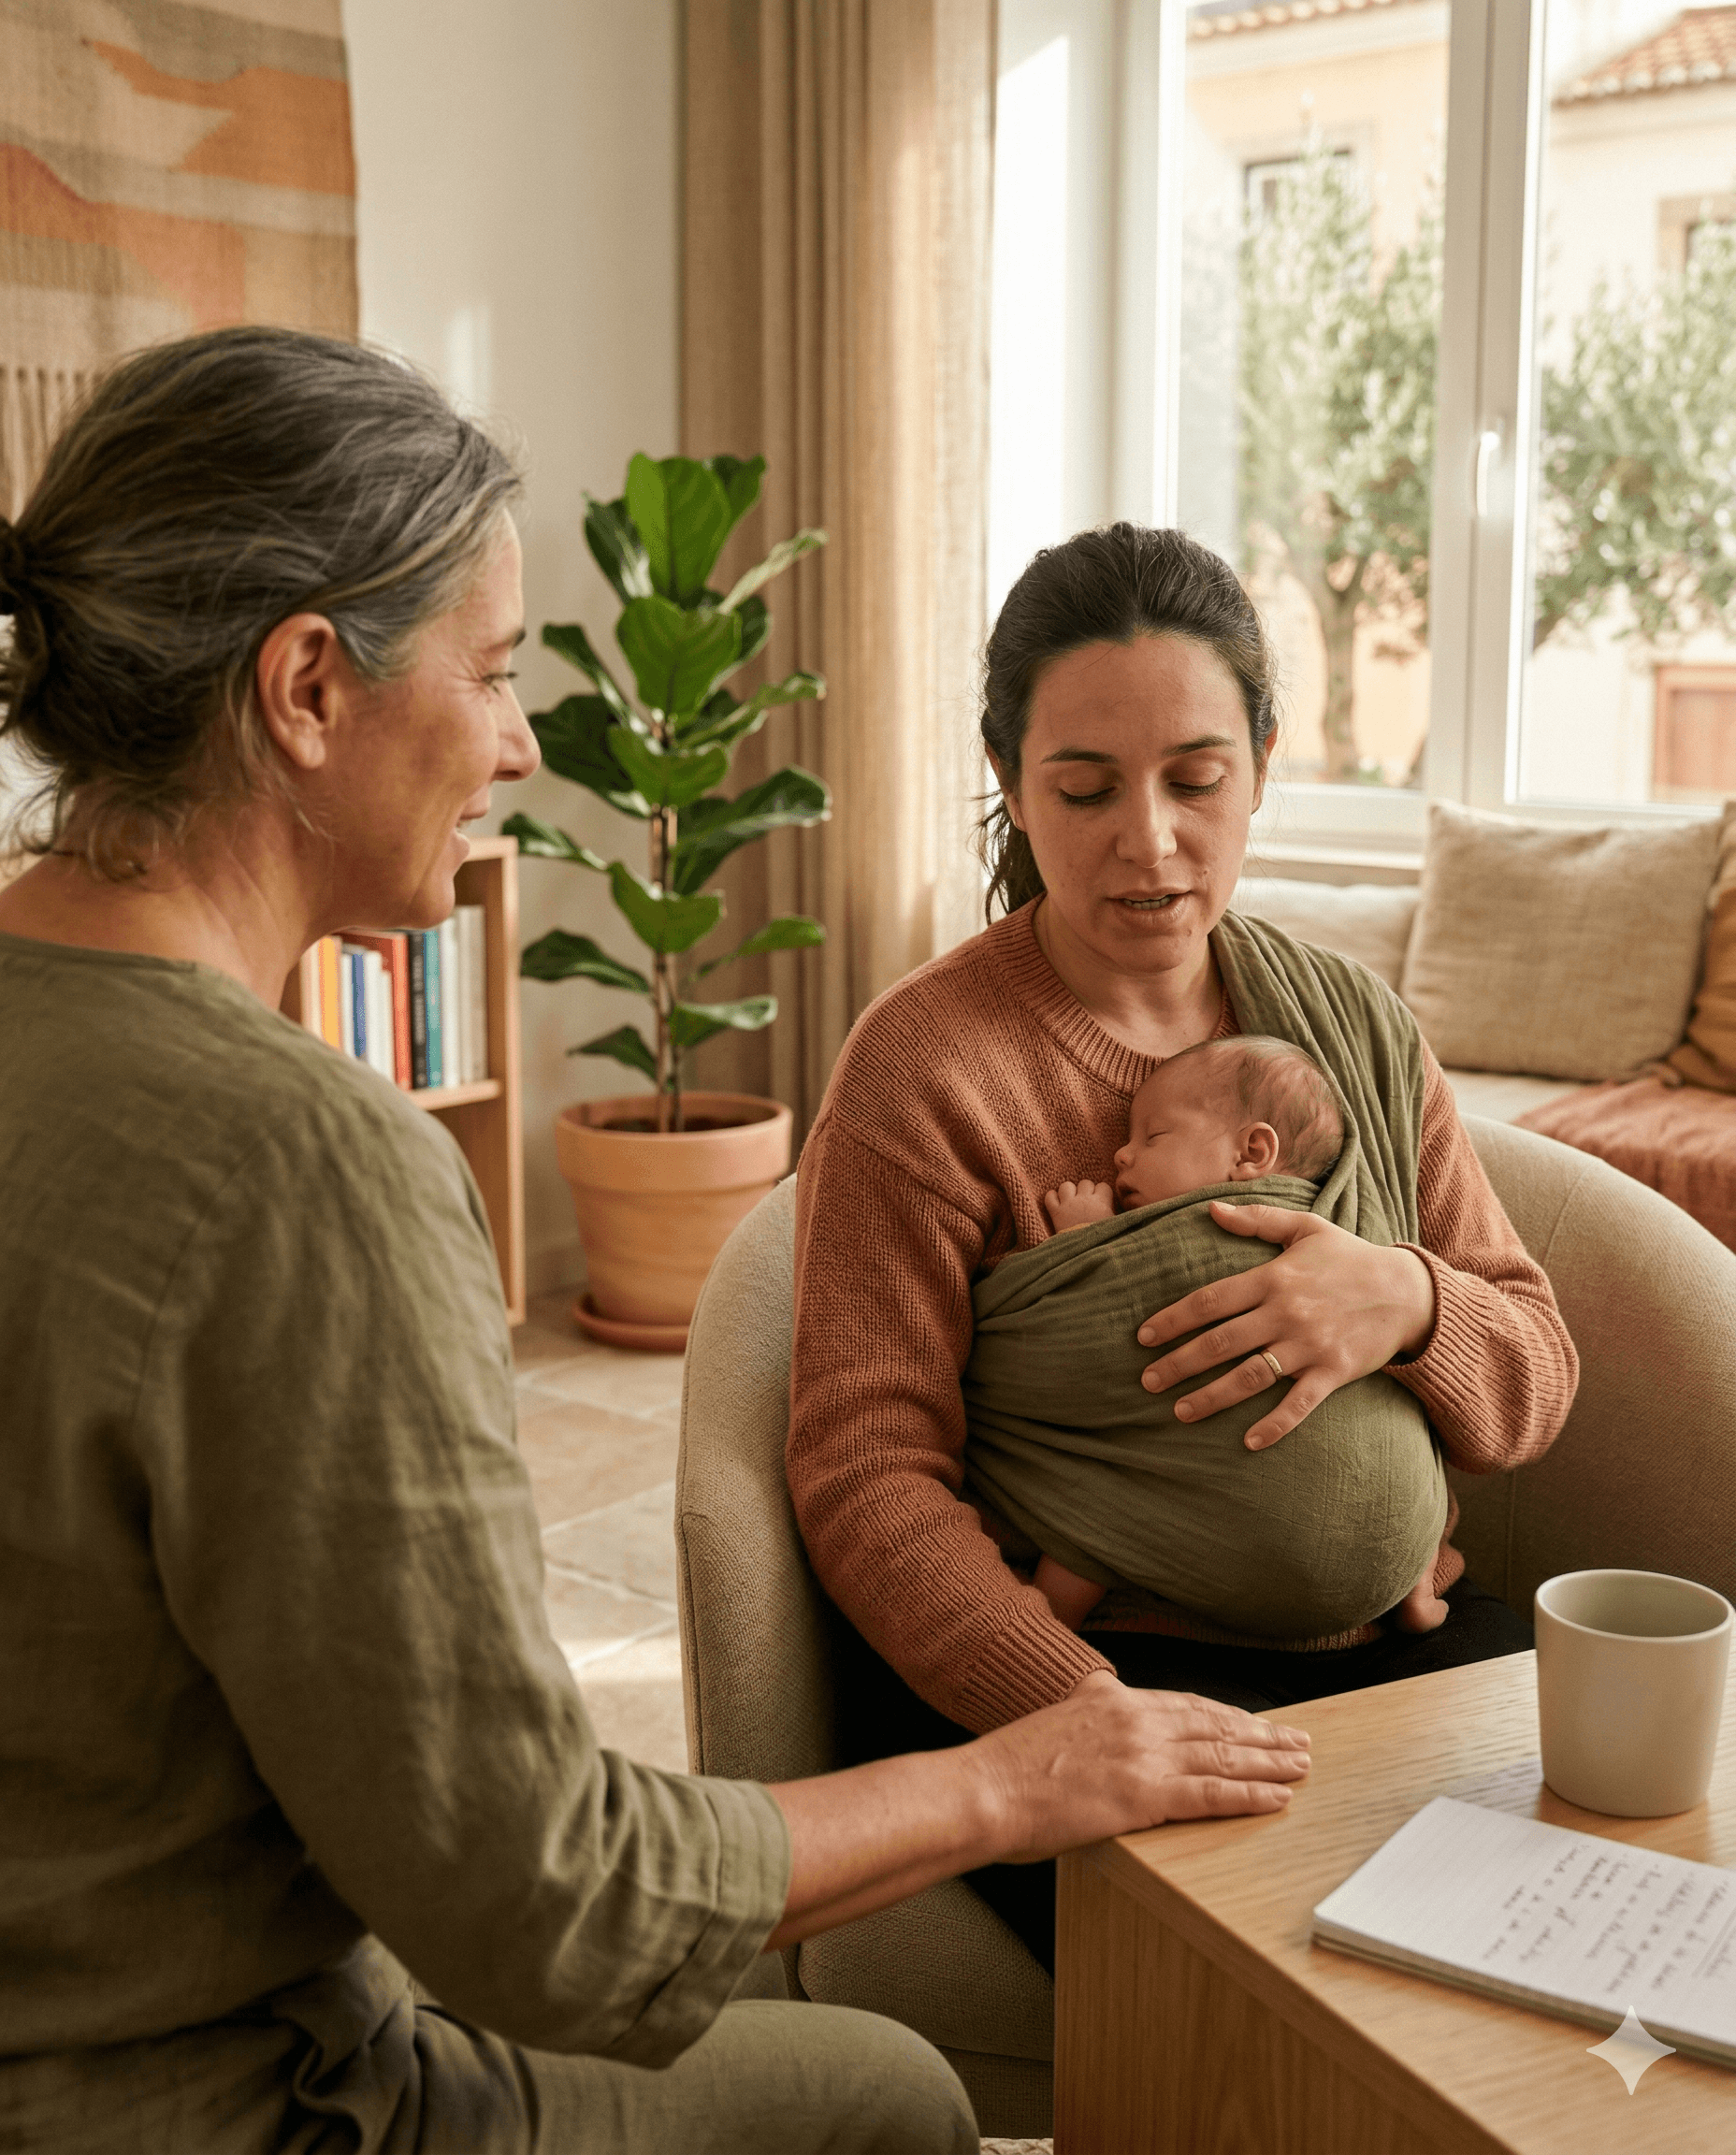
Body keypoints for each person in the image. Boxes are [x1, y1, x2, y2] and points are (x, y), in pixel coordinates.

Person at [0, 330, 1312, 2155]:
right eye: (489, 672)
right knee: (886, 2099)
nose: (518, 740)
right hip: (204, 2100)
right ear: (306, 687)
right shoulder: (306, 1168)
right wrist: (1013, 1781)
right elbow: (549, 1901)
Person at [787, 522, 1579, 1975]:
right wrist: (1076, 1712)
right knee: (1291, 2008)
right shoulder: (926, 1071)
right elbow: (864, 1469)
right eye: (1085, 787)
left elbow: (1534, 1371)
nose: (1148, 840)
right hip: (1093, 1666)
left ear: (1263, 767)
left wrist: (1409, 1299)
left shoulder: (1353, 1030)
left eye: (1196, 780)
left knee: (1581, 1920)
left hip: (1383, 1649)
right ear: (1012, 783)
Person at [987, 1036, 1451, 1642]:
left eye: (1153, 1137)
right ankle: (1414, 1580)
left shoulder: (1325, 1238)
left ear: (1252, 1152)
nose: (1122, 1155)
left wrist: (1082, 1241)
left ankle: (1054, 1623)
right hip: (1371, 1534)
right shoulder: (1342, 1225)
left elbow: (1096, 1319)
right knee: (1398, 1459)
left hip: (1349, 1497)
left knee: (1096, 1519)